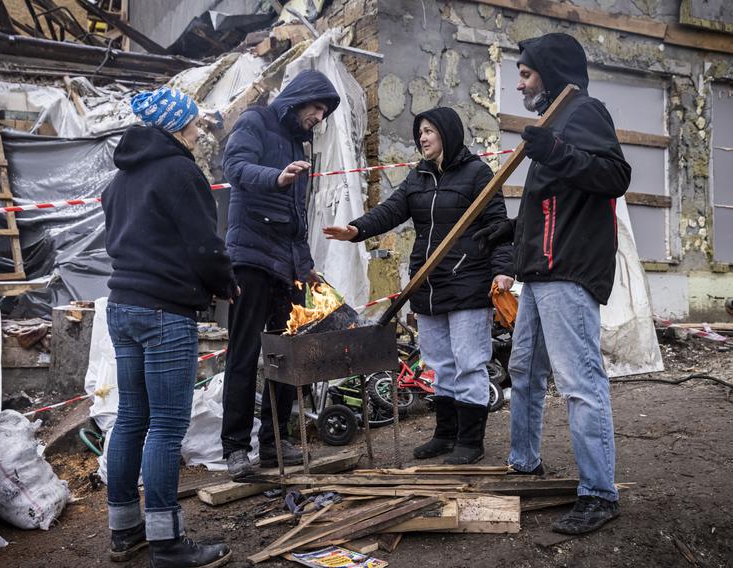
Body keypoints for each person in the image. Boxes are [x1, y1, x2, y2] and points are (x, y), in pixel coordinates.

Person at [475, 33, 631, 535]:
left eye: (525, 72)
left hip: (570, 271)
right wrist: (509, 233)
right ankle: (524, 464)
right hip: (541, 271)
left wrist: (557, 149)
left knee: (580, 381)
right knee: (523, 370)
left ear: (551, 72)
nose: (519, 83)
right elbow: (550, 208)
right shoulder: (551, 123)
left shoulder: (583, 112)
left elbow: (613, 176)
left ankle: (599, 493)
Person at [324, 107, 514, 465]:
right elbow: (391, 211)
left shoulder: (477, 173)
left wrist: (503, 271)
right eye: (420, 132)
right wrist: (356, 230)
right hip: (427, 284)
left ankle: (471, 442)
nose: (422, 137)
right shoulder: (419, 176)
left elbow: (498, 226)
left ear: (447, 132)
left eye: (429, 131)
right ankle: (445, 434)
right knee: (439, 364)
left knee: (468, 364)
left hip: (468, 281)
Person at [102, 87, 237, 568]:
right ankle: (167, 543)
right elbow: (204, 246)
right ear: (176, 127)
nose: (200, 133)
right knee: (166, 425)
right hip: (164, 312)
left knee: (131, 419)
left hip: (121, 307)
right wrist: (226, 285)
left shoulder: (119, 180)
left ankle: (124, 533)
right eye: (196, 125)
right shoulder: (180, 172)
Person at [221, 69, 341, 479]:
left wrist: (304, 266)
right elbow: (234, 167)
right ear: (300, 98)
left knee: (286, 356)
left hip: (286, 266)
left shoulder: (297, 141)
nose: (319, 118)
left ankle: (275, 442)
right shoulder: (255, 120)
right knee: (243, 353)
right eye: (317, 108)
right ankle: (235, 448)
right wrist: (276, 176)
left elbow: (296, 217)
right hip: (250, 259)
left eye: (324, 113)